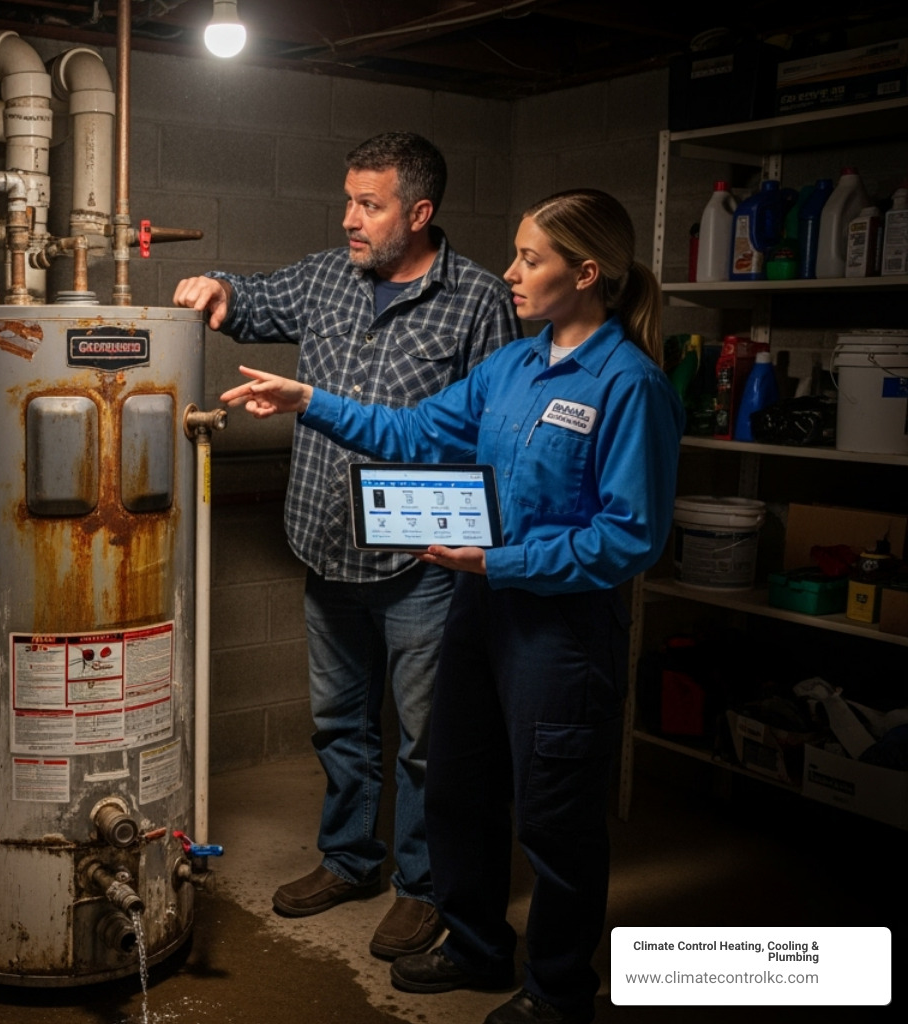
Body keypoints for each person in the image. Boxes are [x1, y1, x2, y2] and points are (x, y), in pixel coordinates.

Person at [218, 188, 683, 1024]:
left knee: (556, 823)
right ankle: (474, 944)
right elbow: (417, 432)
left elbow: (631, 539)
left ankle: (557, 990)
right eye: (514, 254)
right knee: (460, 790)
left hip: (561, 634)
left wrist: (501, 558)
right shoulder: (512, 366)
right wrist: (311, 402)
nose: (510, 273)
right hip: (480, 610)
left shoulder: (629, 385)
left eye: (530, 259)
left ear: (585, 274)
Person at [173, 132, 520, 960]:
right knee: (339, 724)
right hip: (326, 546)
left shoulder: (477, 299)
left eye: (370, 204)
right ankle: (350, 859)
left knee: (428, 741)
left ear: (419, 212)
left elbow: (497, 430)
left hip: (421, 563)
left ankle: (424, 885)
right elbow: (254, 301)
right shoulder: (329, 274)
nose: (350, 218)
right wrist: (217, 285)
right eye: (349, 199)